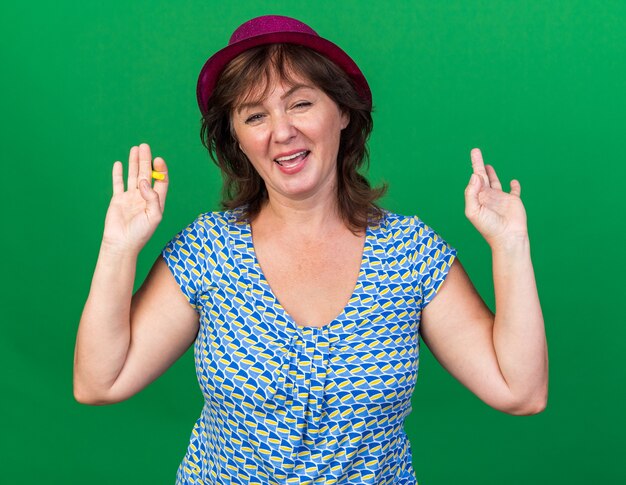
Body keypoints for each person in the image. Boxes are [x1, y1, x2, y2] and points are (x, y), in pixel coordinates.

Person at [73, 15, 548, 484]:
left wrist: (510, 246)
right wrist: (119, 247)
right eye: (255, 115)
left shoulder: (409, 254)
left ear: (342, 112)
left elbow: (520, 390)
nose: (281, 132)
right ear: (237, 139)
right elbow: (99, 382)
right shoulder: (207, 250)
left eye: (299, 104)